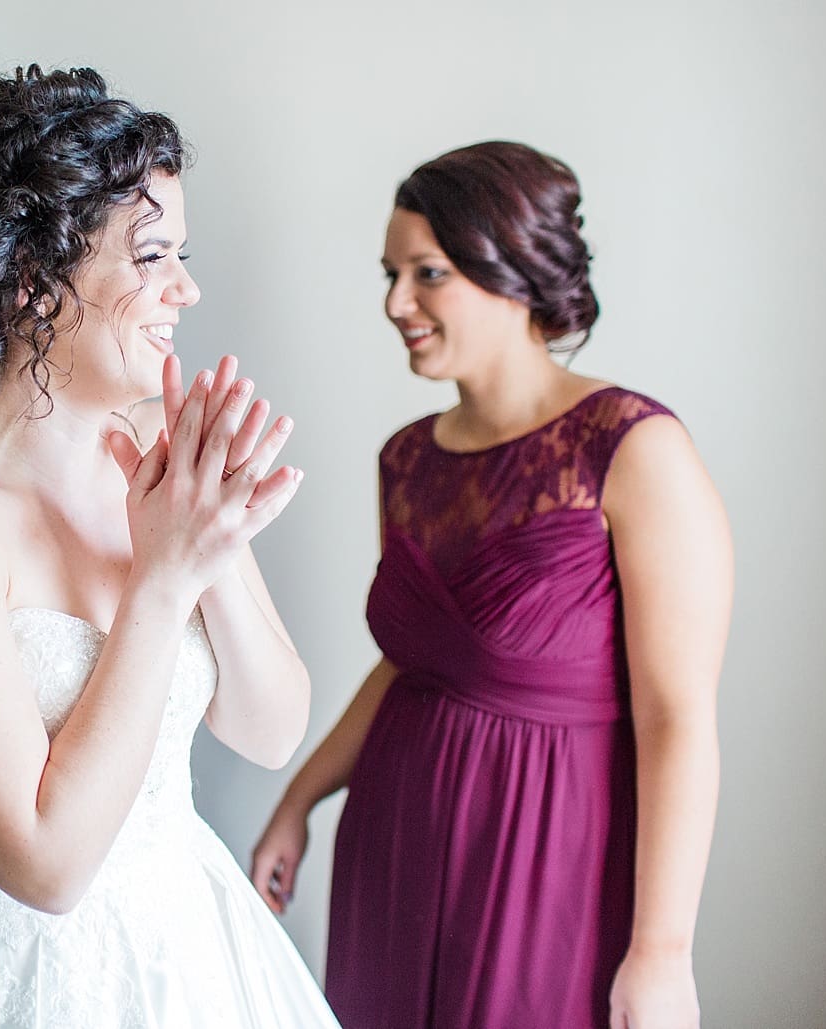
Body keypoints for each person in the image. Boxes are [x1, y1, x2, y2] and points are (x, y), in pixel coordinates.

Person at [0, 65, 336, 1026]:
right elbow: (45, 865)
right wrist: (162, 576)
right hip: (28, 987)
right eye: (149, 258)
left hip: (204, 963)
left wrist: (208, 535)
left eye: (182, 254)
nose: (185, 289)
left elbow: (268, 730)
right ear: (30, 279)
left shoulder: (157, 455)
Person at [250, 141, 731, 1029]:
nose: (396, 303)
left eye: (426, 273)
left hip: (548, 849)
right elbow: (415, 663)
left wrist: (662, 950)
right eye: (391, 273)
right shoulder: (404, 459)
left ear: (511, 271)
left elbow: (678, 717)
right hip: (396, 836)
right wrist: (299, 798)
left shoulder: (633, 449)